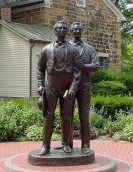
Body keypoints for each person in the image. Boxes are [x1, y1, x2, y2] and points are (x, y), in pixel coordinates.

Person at [36, 21, 81, 155]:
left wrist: (73, 89)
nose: (61, 30)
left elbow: (77, 71)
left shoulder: (73, 50)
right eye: (59, 28)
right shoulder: (46, 49)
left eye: (64, 28)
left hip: (67, 88)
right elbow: (40, 69)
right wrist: (40, 85)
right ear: (55, 30)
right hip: (50, 87)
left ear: (67, 31)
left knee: (66, 117)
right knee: (48, 116)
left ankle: (65, 143)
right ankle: (45, 145)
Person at [69, 22, 100, 154]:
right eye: (75, 29)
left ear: (82, 31)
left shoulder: (90, 49)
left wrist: (84, 66)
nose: (77, 31)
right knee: (67, 115)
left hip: (84, 86)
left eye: (79, 29)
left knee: (84, 116)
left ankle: (85, 145)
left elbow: (96, 65)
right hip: (68, 85)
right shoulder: (66, 47)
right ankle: (67, 144)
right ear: (71, 31)